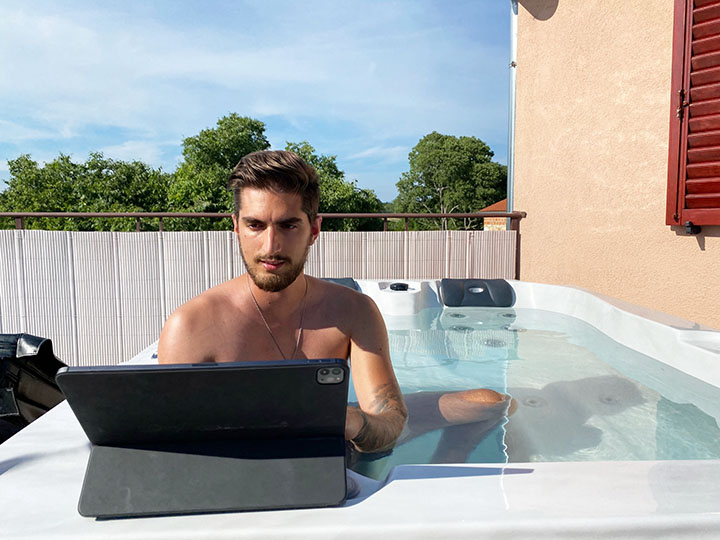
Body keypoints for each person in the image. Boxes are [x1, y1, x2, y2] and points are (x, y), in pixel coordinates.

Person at [158, 150, 512, 456]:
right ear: (235, 226)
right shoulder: (190, 327)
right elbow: (169, 448)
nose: (270, 246)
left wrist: (350, 422)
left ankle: (446, 466)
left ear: (314, 229)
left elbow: (390, 422)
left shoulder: (352, 311)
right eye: (255, 225)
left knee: (490, 402)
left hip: (335, 447)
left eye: (288, 225)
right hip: (249, 469)